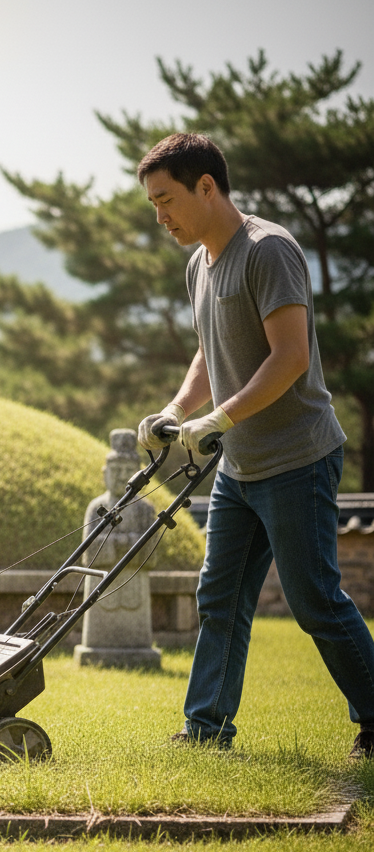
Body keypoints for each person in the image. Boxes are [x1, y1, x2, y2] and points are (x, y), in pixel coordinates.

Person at [135, 132, 374, 758]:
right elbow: (210, 353)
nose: (160, 217)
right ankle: (206, 729)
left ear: (206, 186)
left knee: (315, 599)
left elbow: (291, 357)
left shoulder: (268, 251)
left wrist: (218, 419)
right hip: (241, 467)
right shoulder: (199, 265)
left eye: (166, 200)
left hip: (298, 458)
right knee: (219, 596)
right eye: (153, 205)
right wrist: (177, 409)